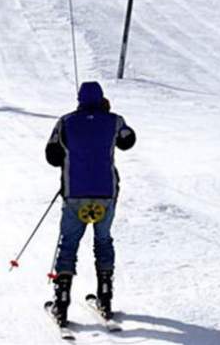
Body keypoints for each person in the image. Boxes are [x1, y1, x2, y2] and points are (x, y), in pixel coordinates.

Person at [45, 82, 136, 327]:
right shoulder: (114, 120)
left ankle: (61, 303)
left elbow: (52, 156)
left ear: (79, 99)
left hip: (75, 193)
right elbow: (128, 141)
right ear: (101, 98)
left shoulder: (65, 122)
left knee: (69, 244)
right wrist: (106, 117)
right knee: (103, 241)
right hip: (106, 193)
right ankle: (105, 298)